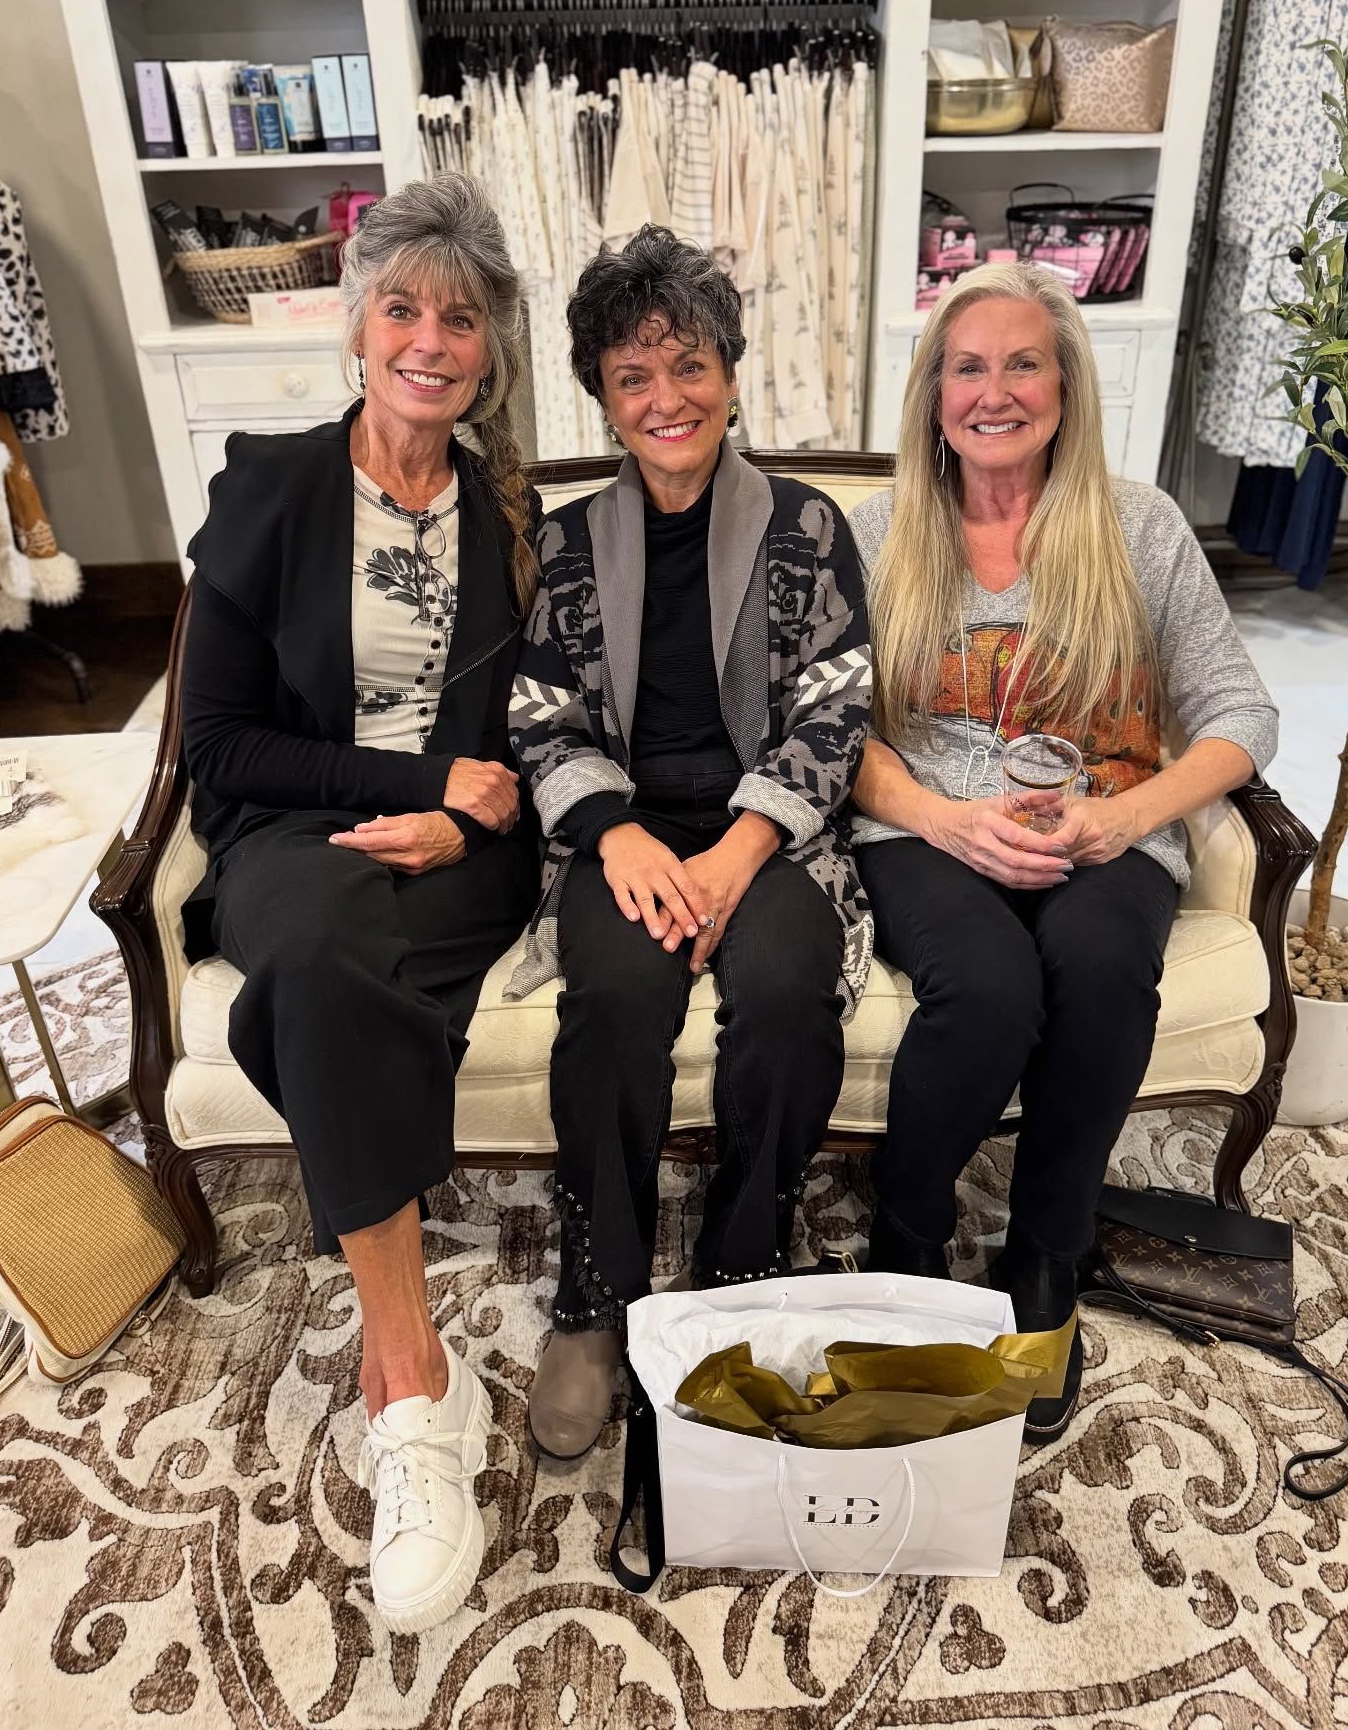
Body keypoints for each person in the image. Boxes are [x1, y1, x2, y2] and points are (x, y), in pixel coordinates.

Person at [180, 174, 541, 1633]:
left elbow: (536, 735)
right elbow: (221, 745)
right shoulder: (267, 486)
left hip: (466, 854)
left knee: (343, 963)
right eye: (401, 307)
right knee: (322, 952)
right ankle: (415, 1391)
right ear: (355, 324)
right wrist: (413, 776)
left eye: (459, 318)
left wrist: (468, 818)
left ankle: (409, 1396)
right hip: (295, 840)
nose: (428, 341)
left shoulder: (515, 515)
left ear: (489, 351)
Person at [850, 262, 1279, 1443]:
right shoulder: (875, 531)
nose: (996, 391)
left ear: (1065, 383)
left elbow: (1244, 717)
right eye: (968, 367)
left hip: (1109, 826)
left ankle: (1048, 1258)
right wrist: (943, 819)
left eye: (1022, 362)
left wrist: (1132, 818)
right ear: (935, 394)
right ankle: (911, 1228)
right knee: (985, 991)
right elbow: (828, 731)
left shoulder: (1138, 525)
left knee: (1099, 975)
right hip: (928, 825)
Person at [506, 225, 873, 1461]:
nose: (667, 399)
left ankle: (738, 1270)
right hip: (622, 832)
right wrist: (612, 836)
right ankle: (594, 1294)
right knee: (612, 993)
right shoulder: (563, 547)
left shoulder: (809, 529)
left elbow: (838, 710)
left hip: (766, 828)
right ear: (604, 397)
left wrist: (740, 847)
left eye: (689, 366)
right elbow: (540, 718)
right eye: (633, 376)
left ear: (730, 370)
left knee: (778, 987)